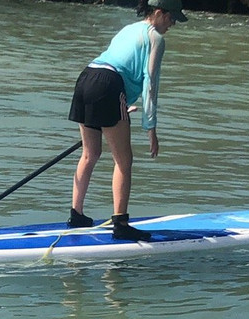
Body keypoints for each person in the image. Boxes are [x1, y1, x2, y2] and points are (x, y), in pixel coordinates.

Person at [66, 0, 187, 241]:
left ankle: (76, 215)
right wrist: (150, 127)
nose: (173, 24)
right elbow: (150, 83)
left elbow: (117, 66)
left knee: (90, 154)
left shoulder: (128, 29)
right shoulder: (156, 39)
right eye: (172, 18)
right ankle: (120, 224)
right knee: (124, 160)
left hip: (86, 77)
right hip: (109, 87)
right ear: (159, 13)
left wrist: (121, 104)